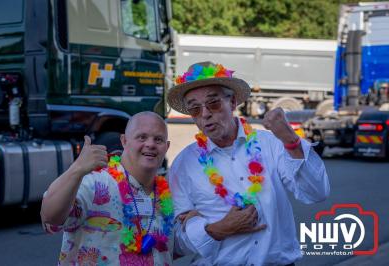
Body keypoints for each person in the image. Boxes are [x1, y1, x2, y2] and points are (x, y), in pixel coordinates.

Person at [167, 62, 330, 265]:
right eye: (195, 109)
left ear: (233, 102)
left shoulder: (272, 144)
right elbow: (175, 243)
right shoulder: (183, 165)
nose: (205, 114)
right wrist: (217, 230)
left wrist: (291, 140)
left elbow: (317, 193)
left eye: (213, 103)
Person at [41, 111, 174, 266]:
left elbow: (174, 247)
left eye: (158, 139)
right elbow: (50, 216)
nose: (150, 144)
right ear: (124, 141)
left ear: (167, 146)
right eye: (142, 137)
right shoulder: (96, 182)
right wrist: (76, 169)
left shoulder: (168, 194)